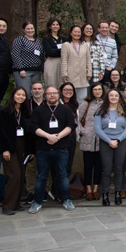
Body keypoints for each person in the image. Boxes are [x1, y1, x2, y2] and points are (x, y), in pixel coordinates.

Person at [28, 85, 77, 213]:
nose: (52, 95)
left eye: (54, 93)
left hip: (61, 149)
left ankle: (66, 199)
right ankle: (37, 201)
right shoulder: (39, 110)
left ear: (58, 94)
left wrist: (58, 137)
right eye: (49, 93)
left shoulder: (65, 109)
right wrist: (48, 136)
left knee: (63, 175)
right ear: (45, 95)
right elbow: (33, 127)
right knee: (41, 176)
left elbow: (71, 125)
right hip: (43, 149)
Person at [0, 87, 33, 215]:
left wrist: (31, 151)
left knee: (21, 175)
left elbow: (30, 131)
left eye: (23, 95)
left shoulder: (25, 112)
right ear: (13, 95)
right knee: (13, 175)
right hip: (9, 146)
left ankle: (16, 203)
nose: (21, 97)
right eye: (18, 94)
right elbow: (0, 132)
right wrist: (4, 149)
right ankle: (7, 205)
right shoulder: (4, 111)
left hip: (22, 145)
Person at [94, 88, 126, 205]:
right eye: (111, 95)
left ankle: (117, 194)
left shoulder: (125, 111)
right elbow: (97, 129)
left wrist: (118, 140)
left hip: (120, 142)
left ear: (119, 98)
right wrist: (109, 140)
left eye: (116, 95)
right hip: (105, 142)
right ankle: (105, 195)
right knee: (106, 169)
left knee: (119, 169)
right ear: (107, 97)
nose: (114, 98)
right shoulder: (100, 111)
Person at [77, 82, 105, 200]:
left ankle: (96, 189)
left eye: (99, 89)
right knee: (88, 166)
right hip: (87, 138)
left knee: (99, 166)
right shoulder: (86, 103)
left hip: (101, 139)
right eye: (95, 89)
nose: (97, 91)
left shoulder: (105, 104)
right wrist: (82, 130)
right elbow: (78, 119)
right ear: (92, 91)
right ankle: (88, 189)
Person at [11, 21, 44, 96]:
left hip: (36, 71)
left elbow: (42, 56)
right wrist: (20, 69)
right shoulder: (20, 40)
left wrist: (43, 70)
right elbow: (16, 55)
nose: (30, 30)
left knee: (36, 93)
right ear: (24, 30)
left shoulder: (38, 41)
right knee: (25, 93)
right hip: (24, 71)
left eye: (32, 28)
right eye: (28, 29)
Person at [61, 25, 92, 101]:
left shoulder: (84, 45)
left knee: (82, 99)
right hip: (70, 75)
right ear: (71, 33)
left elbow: (88, 60)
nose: (77, 34)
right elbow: (64, 60)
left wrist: (89, 72)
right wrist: (64, 74)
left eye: (79, 32)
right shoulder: (66, 45)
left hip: (83, 76)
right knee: (70, 98)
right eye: (75, 32)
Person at [41, 18, 63, 90]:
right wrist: (61, 51)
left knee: (61, 85)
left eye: (57, 24)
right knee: (51, 84)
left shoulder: (63, 38)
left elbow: (67, 51)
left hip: (62, 62)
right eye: (53, 24)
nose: (55, 26)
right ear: (49, 26)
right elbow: (49, 52)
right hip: (51, 62)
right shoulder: (46, 38)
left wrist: (55, 50)